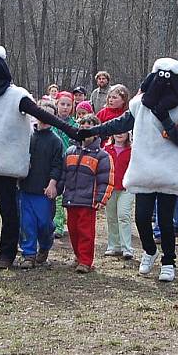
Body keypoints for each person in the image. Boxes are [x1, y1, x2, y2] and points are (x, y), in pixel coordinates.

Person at [0, 46, 78, 270]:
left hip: (6, 166)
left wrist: (71, 131)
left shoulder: (18, 96)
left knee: (9, 212)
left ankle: (7, 254)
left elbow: (42, 114)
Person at [79, 58, 178, 283]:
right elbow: (119, 124)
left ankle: (169, 261)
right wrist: (91, 131)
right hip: (144, 169)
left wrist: (166, 120)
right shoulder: (139, 105)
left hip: (169, 172)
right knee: (141, 217)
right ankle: (150, 250)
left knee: (165, 220)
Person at [58, 114, 114, 273]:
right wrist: (58, 189)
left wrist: (101, 198)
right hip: (71, 199)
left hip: (88, 201)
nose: (85, 132)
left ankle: (86, 261)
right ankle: (78, 256)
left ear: (96, 132)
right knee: (73, 230)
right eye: (82, 128)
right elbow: (63, 173)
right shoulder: (70, 151)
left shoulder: (102, 156)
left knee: (86, 232)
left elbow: (106, 180)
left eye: (89, 129)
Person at [18, 99, 64, 269]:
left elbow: (57, 165)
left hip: (44, 190)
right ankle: (28, 254)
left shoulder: (55, 141)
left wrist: (53, 184)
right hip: (26, 188)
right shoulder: (27, 136)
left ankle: (44, 246)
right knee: (27, 223)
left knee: (44, 224)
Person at [103, 131, 135, 260]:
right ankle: (114, 246)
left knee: (123, 215)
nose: (120, 134)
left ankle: (127, 248)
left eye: (123, 132)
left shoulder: (132, 150)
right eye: (117, 131)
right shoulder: (106, 150)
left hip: (126, 188)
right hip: (110, 188)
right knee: (111, 217)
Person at [52, 91, 79, 238]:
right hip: (55, 164)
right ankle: (57, 225)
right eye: (62, 104)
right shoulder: (51, 122)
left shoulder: (75, 125)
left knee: (70, 196)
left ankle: (71, 224)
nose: (65, 107)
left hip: (72, 165)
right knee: (57, 196)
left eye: (68, 105)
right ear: (57, 104)